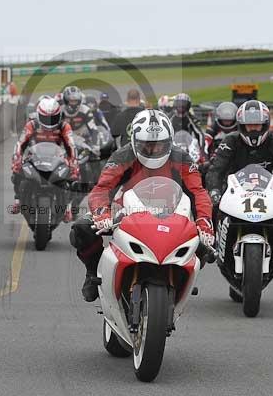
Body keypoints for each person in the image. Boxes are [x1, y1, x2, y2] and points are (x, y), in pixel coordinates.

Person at [68, 109, 214, 301]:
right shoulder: (123, 155)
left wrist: (204, 222)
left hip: (173, 214)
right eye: (146, 145)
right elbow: (102, 188)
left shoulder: (182, 158)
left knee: (205, 246)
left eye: (159, 145)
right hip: (127, 213)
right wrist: (102, 214)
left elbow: (198, 192)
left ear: (169, 142)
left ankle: (181, 281)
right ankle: (92, 272)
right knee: (82, 228)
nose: (153, 150)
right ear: (135, 141)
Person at [205, 100, 273, 237]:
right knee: (212, 207)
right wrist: (214, 190)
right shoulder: (230, 141)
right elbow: (216, 170)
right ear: (241, 126)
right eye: (249, 126)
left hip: (266, 191)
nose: (254, 129)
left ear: (265, 125)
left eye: (257, 125)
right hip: (233, 190)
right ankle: (215, 242)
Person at [11, 97, 80, 216]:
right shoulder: (31, 124)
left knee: (73, 178)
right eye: (46, 118)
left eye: (52, 118)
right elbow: (20, 143)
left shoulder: (64, 126)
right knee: (17, 173)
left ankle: (67, 208)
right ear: (39, 115)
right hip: (34, 157)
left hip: (57, 157)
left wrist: (74, 166)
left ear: (58, 115)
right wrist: (17, 160)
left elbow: (71, 146)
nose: (49, 121)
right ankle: (17, 200)